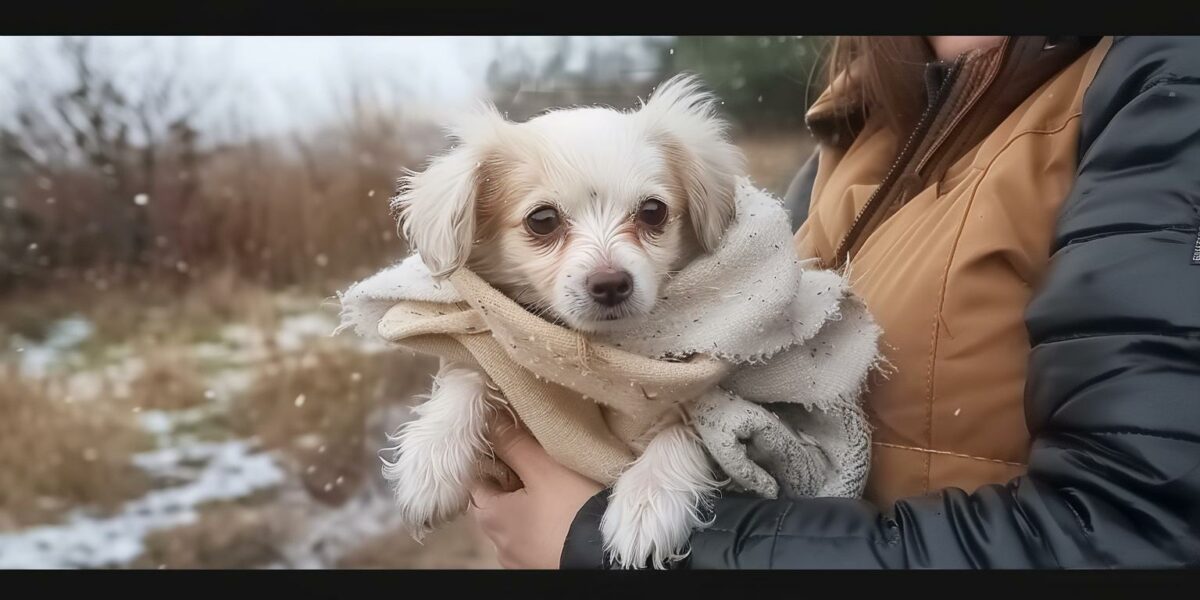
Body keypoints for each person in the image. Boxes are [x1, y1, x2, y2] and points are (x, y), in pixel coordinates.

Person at [467, 36, 1200, 569]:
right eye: (542, 224)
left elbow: (1137, 534)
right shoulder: (857, 124)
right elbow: (743, 394)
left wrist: (600, 542)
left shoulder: (1162, 78)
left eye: (649, 215)